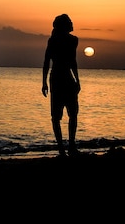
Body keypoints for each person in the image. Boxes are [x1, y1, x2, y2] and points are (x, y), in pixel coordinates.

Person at [41, 13, 80, 157]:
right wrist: (44, 82)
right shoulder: (58, 41)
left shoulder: (68, 40)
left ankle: (68, 147)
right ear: (64, 25)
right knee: (62, 115)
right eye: (69, 21)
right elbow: (47, 62)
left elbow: (72, 62)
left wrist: (77, 80)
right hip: (60, 78)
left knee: (69, 114)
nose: (72, 23)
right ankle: (65, 148)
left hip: (59, 78)